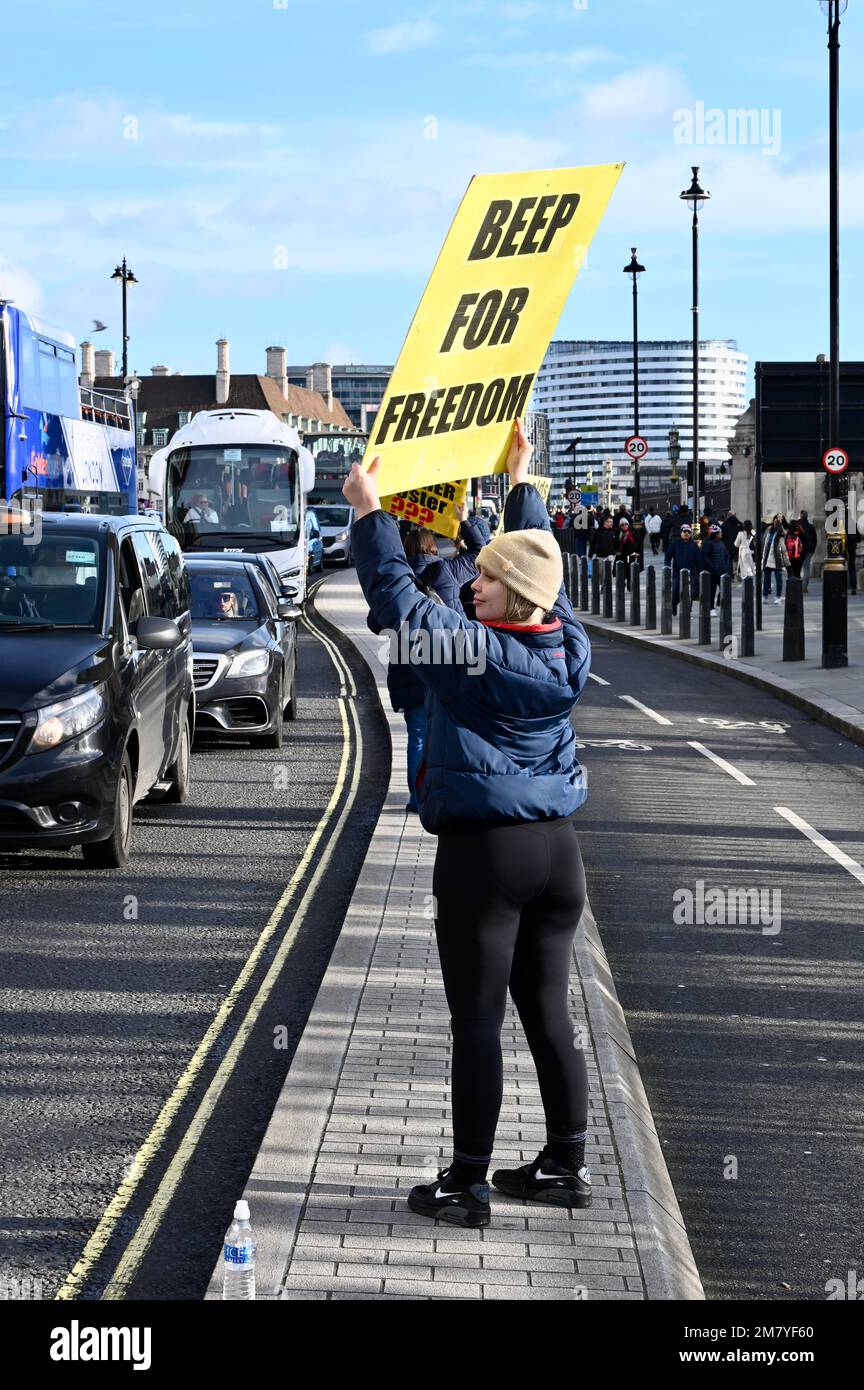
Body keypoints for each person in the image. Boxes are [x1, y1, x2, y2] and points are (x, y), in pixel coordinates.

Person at [344, 417, 592, 1228]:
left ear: (506, 596)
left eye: (481, 580)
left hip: (488, 855)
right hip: (558, 855)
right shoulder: (567, 646)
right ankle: (562, 1165)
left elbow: (396, 601)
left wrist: (370, 512)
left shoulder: (472, 654)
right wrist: (518, 491)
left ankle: (467, 1183)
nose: (469, 585)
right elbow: (538, 565)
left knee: (477, 1019)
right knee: (548, 1009)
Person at [666, 521, 701, 616]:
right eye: (684, 531)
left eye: (689, 532)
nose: (686, 533)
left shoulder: (694, 545)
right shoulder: (675, 543)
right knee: (676, 592)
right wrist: (667, 566)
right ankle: (674, 605)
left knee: (691, 592)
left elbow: (699, 560)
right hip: (677, 573)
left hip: (691, 573)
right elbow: (668, 555)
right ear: (681, 532)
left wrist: (700, 572)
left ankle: (688, 610)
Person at [700, 521, 732, 614]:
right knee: (712, 590)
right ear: (716, 534)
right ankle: (711, 608)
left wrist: (726, 566)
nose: (721, 534)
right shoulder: (708, 543)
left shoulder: (721, 543)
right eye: (720, 533)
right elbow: (704, 556)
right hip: (712, 571)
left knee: (724, 589)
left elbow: (726, 555)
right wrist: (711, 566)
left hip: (721, 570)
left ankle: (720, 604)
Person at [761, 515, 788, 602]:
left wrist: (781, 525)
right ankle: (765, 596)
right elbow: (765, 544)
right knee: (766, 578)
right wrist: (763, 558)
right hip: (768, 557)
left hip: (777, 559)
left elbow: (784, 535)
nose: (775, 523)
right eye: (775, 521)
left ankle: (778, 596)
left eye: (778, 522)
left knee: (778, 579)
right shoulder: (769, 530)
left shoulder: (781, 531)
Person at [798, 509, 818, 593]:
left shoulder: (796, 526)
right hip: (808, 550)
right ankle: (804, 587)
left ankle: (797, 585)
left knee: (797, 569)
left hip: (798, 551)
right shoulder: (811, 526)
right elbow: (815, 540)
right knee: (806, 569)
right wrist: (812, 550)